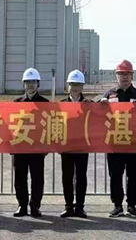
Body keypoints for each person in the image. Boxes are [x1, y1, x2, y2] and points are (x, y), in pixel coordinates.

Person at [101, 59, 136, 218]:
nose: (124, 77)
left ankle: (132, 205)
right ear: (117, 76)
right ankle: (117, 205)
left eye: (127, 74)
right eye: (121, 74)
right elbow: (97, 116)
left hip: (134, 144)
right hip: (115, 144)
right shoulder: (109, 95)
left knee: (134, 176)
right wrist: (98, 104)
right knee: (115, 176)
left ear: (132, 76)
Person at [13, 68, 49, 217]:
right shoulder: (16, 103)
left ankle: (35, 206)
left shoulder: (45, 103)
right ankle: (22, 205)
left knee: (37, 178)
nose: (30, 85)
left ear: (38, 84)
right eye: (27, 82)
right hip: (20, 146)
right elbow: (11, 125)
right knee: (20, 178)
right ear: (23, 84)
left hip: (37, 148)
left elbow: (49, 125)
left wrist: (46, 146)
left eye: (33, 82)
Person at [60, 70, 89, 218]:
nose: (75, 88)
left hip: (83, 147)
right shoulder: (61, 104)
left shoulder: (89, 104)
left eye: (78, 84)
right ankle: (68, 206)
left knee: (81, 178)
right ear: (68, 86)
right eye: (72, 84)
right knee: (67, 177)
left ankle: (80, 207)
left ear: (82, 87)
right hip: (67, 147)